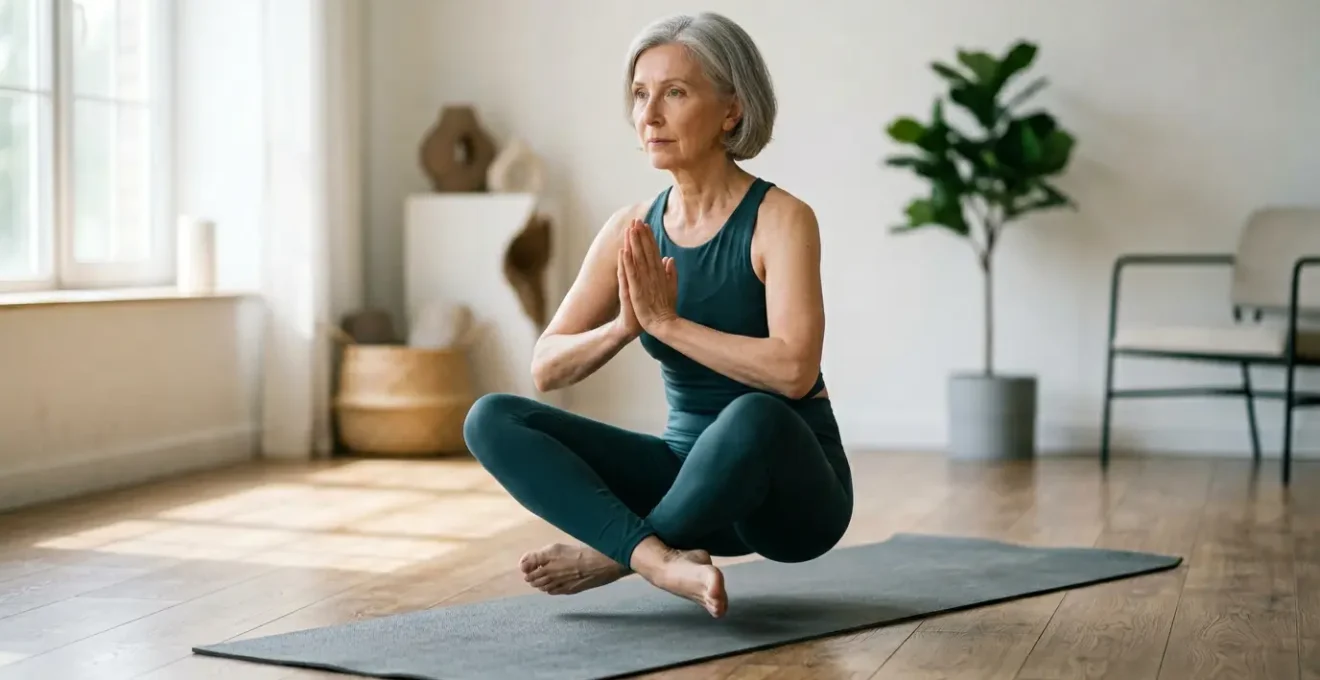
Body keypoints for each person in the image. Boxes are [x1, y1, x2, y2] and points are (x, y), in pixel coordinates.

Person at [462, 11, 852, 619]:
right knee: (492, 417)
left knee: (757, 414)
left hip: (787, 504)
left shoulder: (781, 219)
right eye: (641, 94)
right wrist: (625, 326)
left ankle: (612, 558)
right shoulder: (632, 228)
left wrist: (669, 325)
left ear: (732, 110)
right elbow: (545, 367)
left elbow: (794, 371)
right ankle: (657, 558)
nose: (649, 114)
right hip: (684, 489)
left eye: (675, 92)